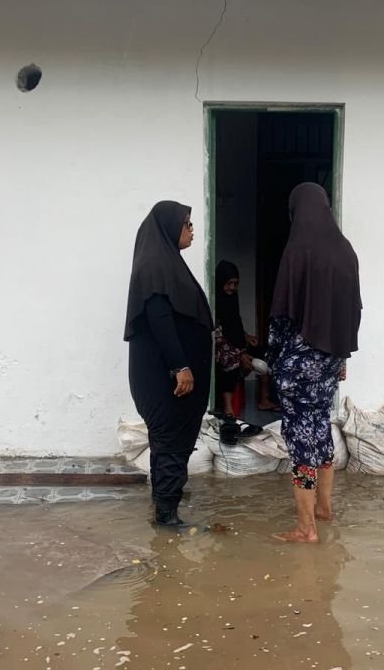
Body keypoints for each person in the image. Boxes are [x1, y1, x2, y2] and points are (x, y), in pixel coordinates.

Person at [267, 183, 362, 543]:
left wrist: (273, 360)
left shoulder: (298, 250)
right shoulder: (346, 251)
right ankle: (323, 509)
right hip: (329, 365)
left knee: (301, 441)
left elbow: (281, 315)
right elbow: (355, 310)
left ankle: (306, 528)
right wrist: (341, 356)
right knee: (319, 431)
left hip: (298, 366)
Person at [125, 201, 213, 527]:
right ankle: (167, 516)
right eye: (187, 224)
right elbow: (160, 320)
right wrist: (181, 366)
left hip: (168, 378)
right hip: (167, 379)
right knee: (172, 443)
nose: (191, 230)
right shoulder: (155, 267)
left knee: (166, 443)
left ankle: (164, 507)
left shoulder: (165, 264)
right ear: (168, 227)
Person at [213, 259, 279, 417]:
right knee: (230, 363)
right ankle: (229, 409)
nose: (232, 288)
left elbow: (234, 324)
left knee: (263, 354)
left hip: (236, 344)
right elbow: (218, 334)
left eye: (235, 284)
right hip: (220, 347)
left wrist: (246, 337)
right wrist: (239, 354)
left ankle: (264, 400)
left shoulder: (232, 299)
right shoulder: (214, 301)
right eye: (229, 283)